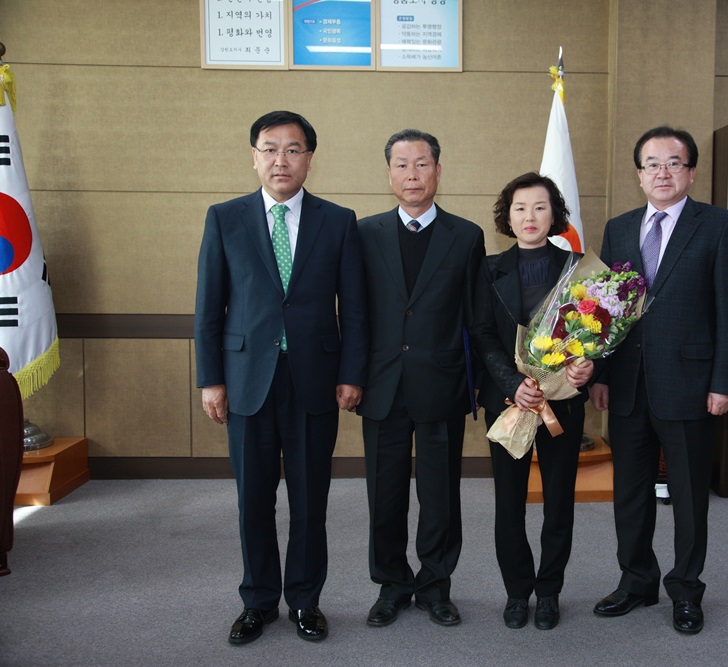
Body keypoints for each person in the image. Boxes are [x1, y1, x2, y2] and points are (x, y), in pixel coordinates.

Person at [194, 110, 368, 645]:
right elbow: (209, 305)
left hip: (315, 378)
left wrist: (351, 372)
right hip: (246, 378)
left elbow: (355, 308)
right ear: (254, 156)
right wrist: (211, 379)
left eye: (293, 150)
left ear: (309, 158)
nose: (280, 160)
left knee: (311, 498)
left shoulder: (337, 220)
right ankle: (258, 602)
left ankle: (306, 601)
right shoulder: (225, 218)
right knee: (254, 497)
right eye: (270, 149)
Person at [590, 126, 728, 635]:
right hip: (629, 385)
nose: (662, 172)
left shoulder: (718, 226)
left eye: (673, 163)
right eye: (652, 163)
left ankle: (686, 591)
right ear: (639, 175)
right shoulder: (619, 228)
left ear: (691, 172)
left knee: (688, 495)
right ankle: (636, 582)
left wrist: (724, 382)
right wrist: (603, 375)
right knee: (630, 493)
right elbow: (606, 312)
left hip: (691, 384)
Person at [357, 129, 485, 628]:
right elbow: (356, 313)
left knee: (440, 494)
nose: (412, 174)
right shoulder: (363, 233)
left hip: (442, 383)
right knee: (384, 493)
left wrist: (478, 383)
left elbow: (476, 318)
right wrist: (352, 376)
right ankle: (391, 584)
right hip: (382, 384)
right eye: (402, 165)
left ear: (438, 170)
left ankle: (435, 585)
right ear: (388, 173)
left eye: (422, 164)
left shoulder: (466, 235)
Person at [472, 172, 595, 631]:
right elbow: (482, 334)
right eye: (520, 208)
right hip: (510, 403)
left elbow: (597, 337)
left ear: (554, 213)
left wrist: (589, 368)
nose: (530, 217)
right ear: (508, 215)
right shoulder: (488, 269)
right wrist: (512, 383)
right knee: (510, 502)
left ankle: (549, 592)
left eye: (540, 207)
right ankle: (517, 592)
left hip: (562, 403)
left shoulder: (579, 269)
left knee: (560, 501)